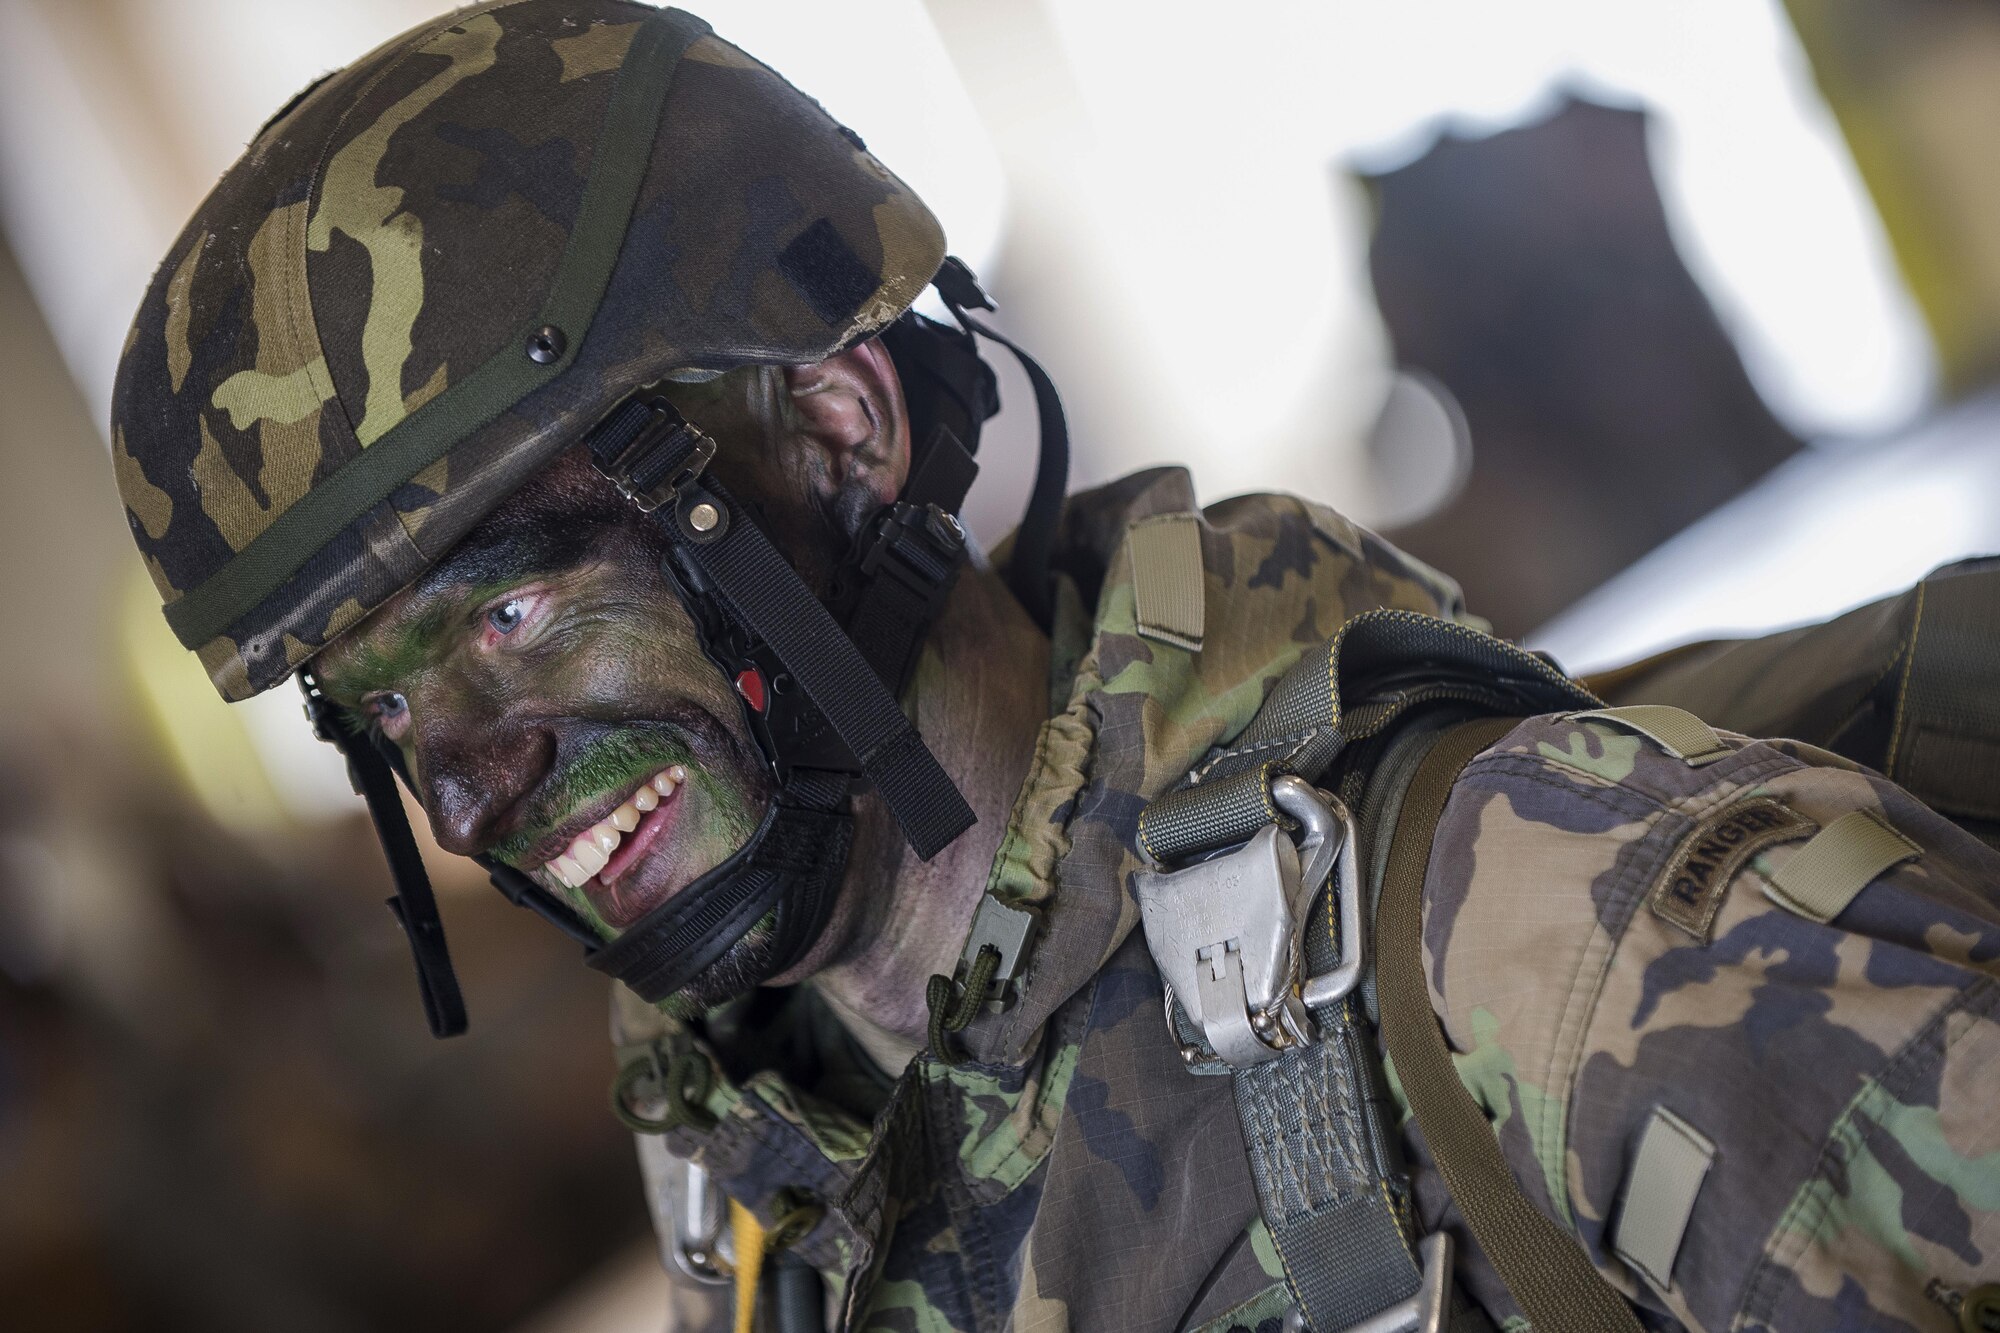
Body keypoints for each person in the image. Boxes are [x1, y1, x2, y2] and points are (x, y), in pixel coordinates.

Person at [107, 4, 2000, 1331]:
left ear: (840, 431)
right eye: (384, 702)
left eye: (515, 615)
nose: (459, 783)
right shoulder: (754, 1175)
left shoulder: (1536, 929)